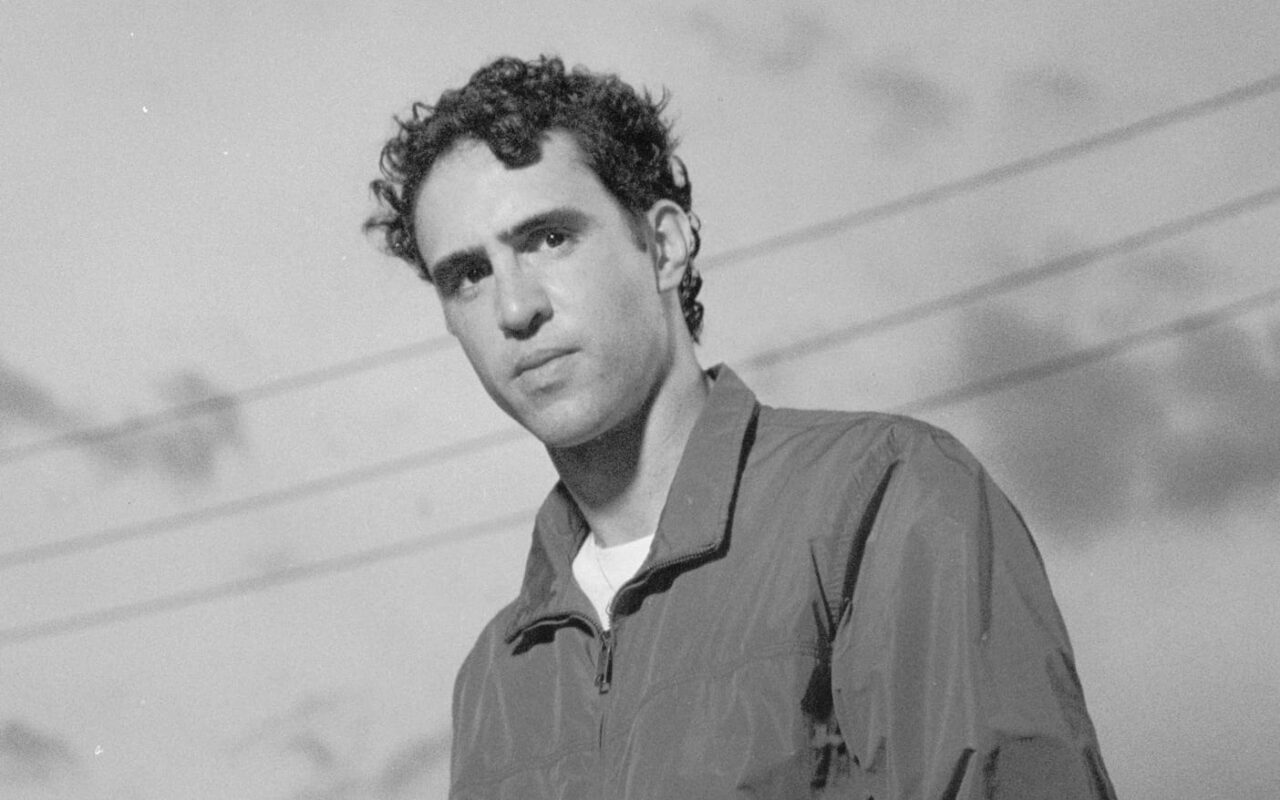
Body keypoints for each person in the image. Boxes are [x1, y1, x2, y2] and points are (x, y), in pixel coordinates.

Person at [365, 55, 1116, 799]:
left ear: (664, 246)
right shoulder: (494, 678)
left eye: (549, 239)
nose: (515, 308)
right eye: (468, 275)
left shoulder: (884, 494)